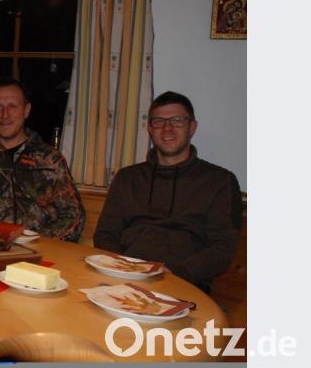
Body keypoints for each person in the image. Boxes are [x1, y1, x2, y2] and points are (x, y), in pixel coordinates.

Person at [93, 91, 242, 290]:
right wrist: (124, 267)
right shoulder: (127, 178)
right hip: (123, 277)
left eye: (177, 121)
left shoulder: (220, 181)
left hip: (184, 284)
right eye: (159, 121)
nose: (167, 128)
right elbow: (105, 234)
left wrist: (178, 275)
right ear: (149, 129)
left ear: (192, 127)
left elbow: (223, 248)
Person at [0, 77, 85, 242]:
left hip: (40, 254)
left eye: (13, 106)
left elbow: (74, 217)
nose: (5, 114)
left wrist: (37, 241)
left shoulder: (50, 161)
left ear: (26, 110)